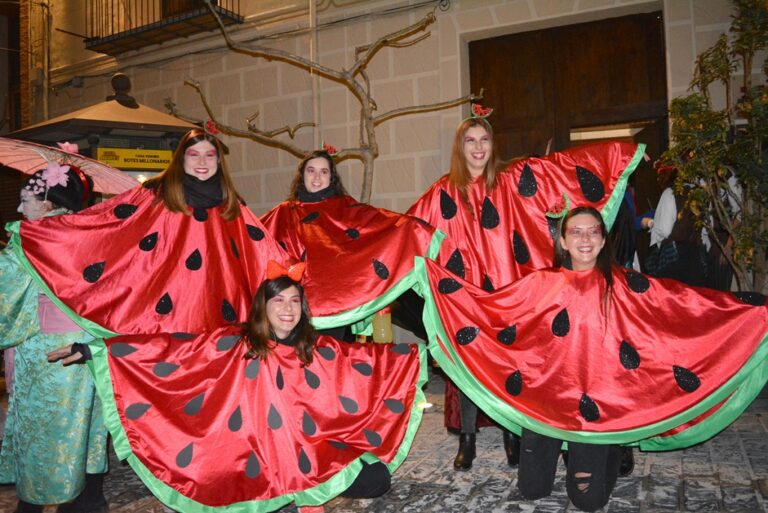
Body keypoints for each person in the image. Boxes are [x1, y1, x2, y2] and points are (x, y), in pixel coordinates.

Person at [414, 205, 767, 511]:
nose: (585, 239)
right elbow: (491, 309)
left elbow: (685, 305)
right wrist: (431, 278)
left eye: (593, 231)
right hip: (546, 406)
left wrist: (755, 313)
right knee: (532, 491)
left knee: (587, 500)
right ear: (563, 241)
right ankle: (584, 446)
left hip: (598, 411)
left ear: (603, 238)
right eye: (576, 232)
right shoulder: (540, 282)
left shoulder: (627, 284)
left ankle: (615, 442)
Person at [79, 261, 426, 512]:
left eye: (293, 301)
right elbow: (177, 349)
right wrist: (94, 350)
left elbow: (362, 362)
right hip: (253, 456)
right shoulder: (237, 342)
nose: (287, 309)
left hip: (309, 449)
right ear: (264, 305)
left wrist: (418, 353)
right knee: (244, 500)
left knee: (377, 480)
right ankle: (299, 494)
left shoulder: (314, 346)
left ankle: (305, 489)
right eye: (279, 301)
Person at [407, 110, 645, 471]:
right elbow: (411, 230)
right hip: (467, 297)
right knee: (469, 367)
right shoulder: (443, 191)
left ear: (492, 145)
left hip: (512, 292)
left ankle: (512, 435)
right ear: (460, 147)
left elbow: (559, 171)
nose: (478, 147)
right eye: (470, 140)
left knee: (512, 368)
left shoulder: (512, 179)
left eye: (484, 140)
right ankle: (467, 441)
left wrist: (618, 156)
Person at [6, 128, 287, 337]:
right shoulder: (155, 192)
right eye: (194, 154)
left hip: (219, 312)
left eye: (209, 155)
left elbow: (259, 248)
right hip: (159, 313)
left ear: (218, 161)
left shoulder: (231, 202)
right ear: (181, 158)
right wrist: (48, 234)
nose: (202, 162)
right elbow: (106, 223)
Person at [0, 165, 109, 513]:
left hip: (46, 347)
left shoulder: (31, 239)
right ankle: (89, 498)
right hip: (87, 342)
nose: (20, 210)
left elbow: (6, 287)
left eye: (26, 200)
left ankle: (34, 502)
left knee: (41, 430)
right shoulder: (95, 233)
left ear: (48, 203)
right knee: (88, 422)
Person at [260, 149, 443, 337]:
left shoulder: (346, 207)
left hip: (340, 299)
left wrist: (414, 229)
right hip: (299, 307)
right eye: (311, 170)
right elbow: (255, 237)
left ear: (331, 178)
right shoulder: (284, 212)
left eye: (324, 172)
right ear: (302, 175)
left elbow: (377, 222)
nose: (316, 177)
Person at [646, 163, 707, 286]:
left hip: (674, 257)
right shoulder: (699, 194)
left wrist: (651, 223)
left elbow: (665, 230)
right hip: (695, 256)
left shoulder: (670, 193)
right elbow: (705, 228)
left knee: (673, 300)